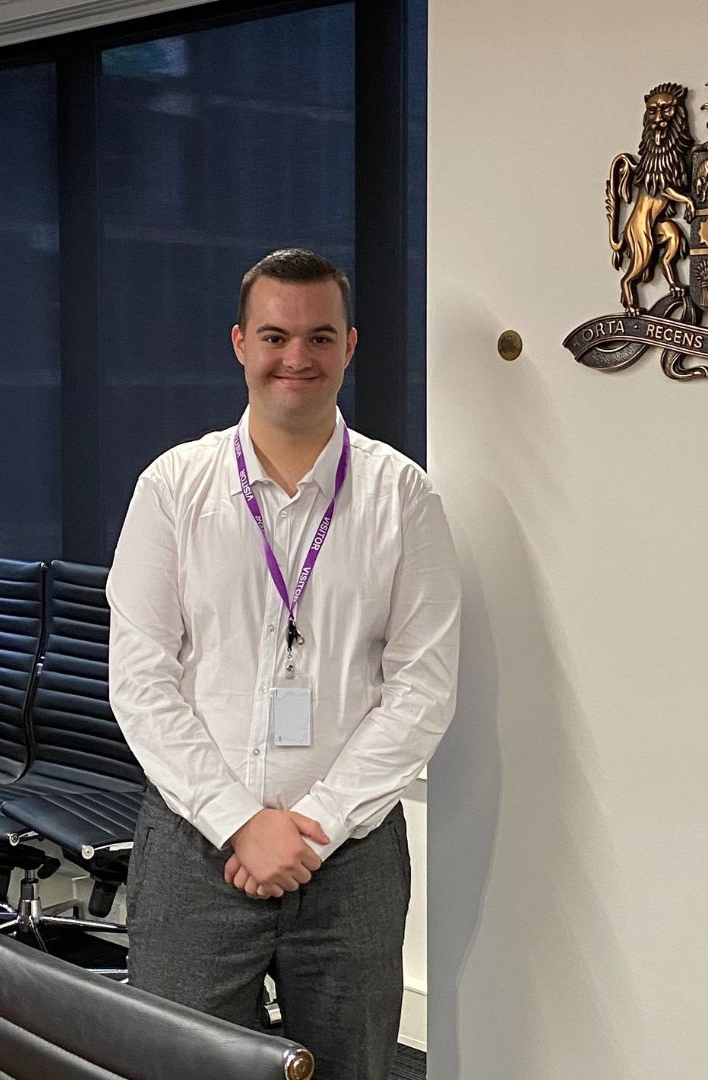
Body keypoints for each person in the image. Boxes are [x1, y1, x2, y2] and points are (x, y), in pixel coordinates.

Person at [107, 248, 461, 1080]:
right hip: (197, 846)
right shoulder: (173, 488)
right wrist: (240, 821)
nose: (295, 357)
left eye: (318, 337)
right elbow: (141, 679)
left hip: (350, 862)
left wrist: (316, 826)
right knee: (176, 1065)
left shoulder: (402, 498)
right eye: (274, 335)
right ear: (239, 343)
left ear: (351, 346)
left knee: (353, 1068)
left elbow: (424, 686)